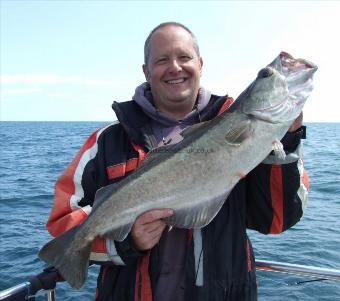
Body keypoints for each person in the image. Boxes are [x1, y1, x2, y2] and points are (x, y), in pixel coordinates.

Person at [45, 22, 308, 301]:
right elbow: (63, 223)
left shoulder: (246, 128)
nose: (175, 67)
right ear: (146, 72)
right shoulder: (106, 142)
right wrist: (124, 243)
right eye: (161, 60)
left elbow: (276, 220)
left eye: (184, 57)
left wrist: (287, 140)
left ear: (200, 63)